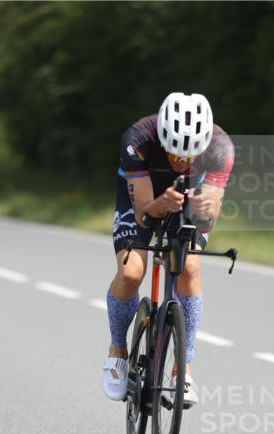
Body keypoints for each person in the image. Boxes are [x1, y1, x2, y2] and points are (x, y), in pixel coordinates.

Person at [102, 92, 234, 406]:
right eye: (175, 153)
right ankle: (117, 351)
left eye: (190, 156)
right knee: (132, 271)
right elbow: (143, 214)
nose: (181, 162)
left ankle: (183, 368)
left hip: (190, 195)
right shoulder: (138, 139)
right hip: (144, 193)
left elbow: (210, 220)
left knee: (189, 267)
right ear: (162, 138)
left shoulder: (221, 148)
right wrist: (161, 204)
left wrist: (205, 209)